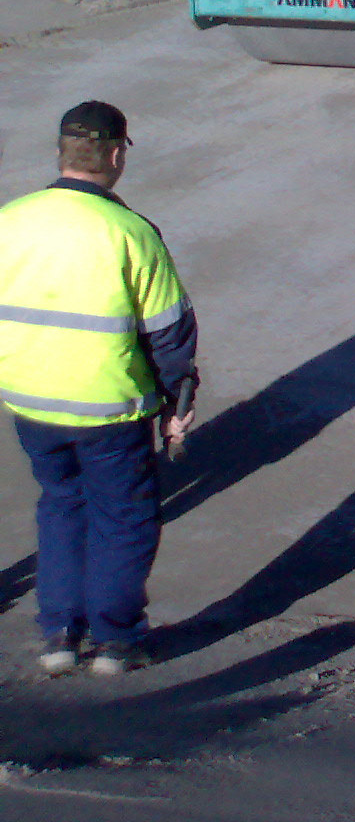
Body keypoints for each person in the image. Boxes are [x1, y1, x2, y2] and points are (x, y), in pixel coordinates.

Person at [0, 101, 198, 676]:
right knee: (124, 517)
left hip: (31, 400)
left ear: (63, 152)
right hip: (109, 406)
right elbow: (170, 334)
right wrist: (176, 407)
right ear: (115, 155)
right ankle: (116, 640)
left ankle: (59, 634)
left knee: (61, 506)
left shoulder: (12, 218)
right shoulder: (130, 231)